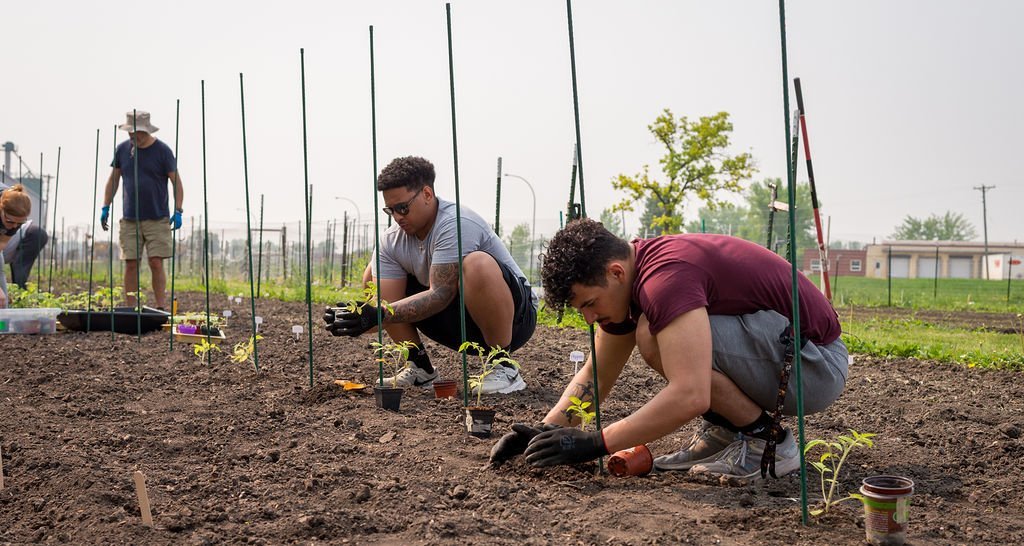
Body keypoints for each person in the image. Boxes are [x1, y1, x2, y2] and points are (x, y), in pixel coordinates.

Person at [489, 218, 848, 481]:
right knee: (653, 332)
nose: (588, 318)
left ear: (615, 273)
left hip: (813, 364)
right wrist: (542, 432)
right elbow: (596, 376)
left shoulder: (663, 279)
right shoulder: (629, 281)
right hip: (782, 356)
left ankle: (769, 443)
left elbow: (690, 394)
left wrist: (597, 443)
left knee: (652, 334)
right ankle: (728, 432)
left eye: (589, 303)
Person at [324, 156, 537, 394]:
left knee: (477, 264)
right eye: (390, 210)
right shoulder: (390, 241)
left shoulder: (456, 223)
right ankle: (420, 367)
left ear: (427, 194)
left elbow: (441, 294)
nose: (397, 217)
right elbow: (387, 307)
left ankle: (503, 366)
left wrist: (377, 315)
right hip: (455, 322)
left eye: (403, 208)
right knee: (371, 276)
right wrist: (358, 319)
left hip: (515, 321)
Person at [100, 110, 184, 310]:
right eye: (129, 133)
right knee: (130, 263)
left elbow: (177, 182)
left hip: (157, 218)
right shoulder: (122, 150)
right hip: (130, 218)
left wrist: (178, 210)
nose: (132, 137)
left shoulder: (162, 151)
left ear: (146, 131)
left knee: (156, 262)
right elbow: (113, 180)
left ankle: (161, 307)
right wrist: (105, 206)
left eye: (136, 133)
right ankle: (131, 307)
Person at [0, 184, 35, 308]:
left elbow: (1, 244)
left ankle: (2, 324)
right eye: (10, 221)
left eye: (19, 223)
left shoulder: (16, 218)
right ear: (1, 210)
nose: (14, 226)